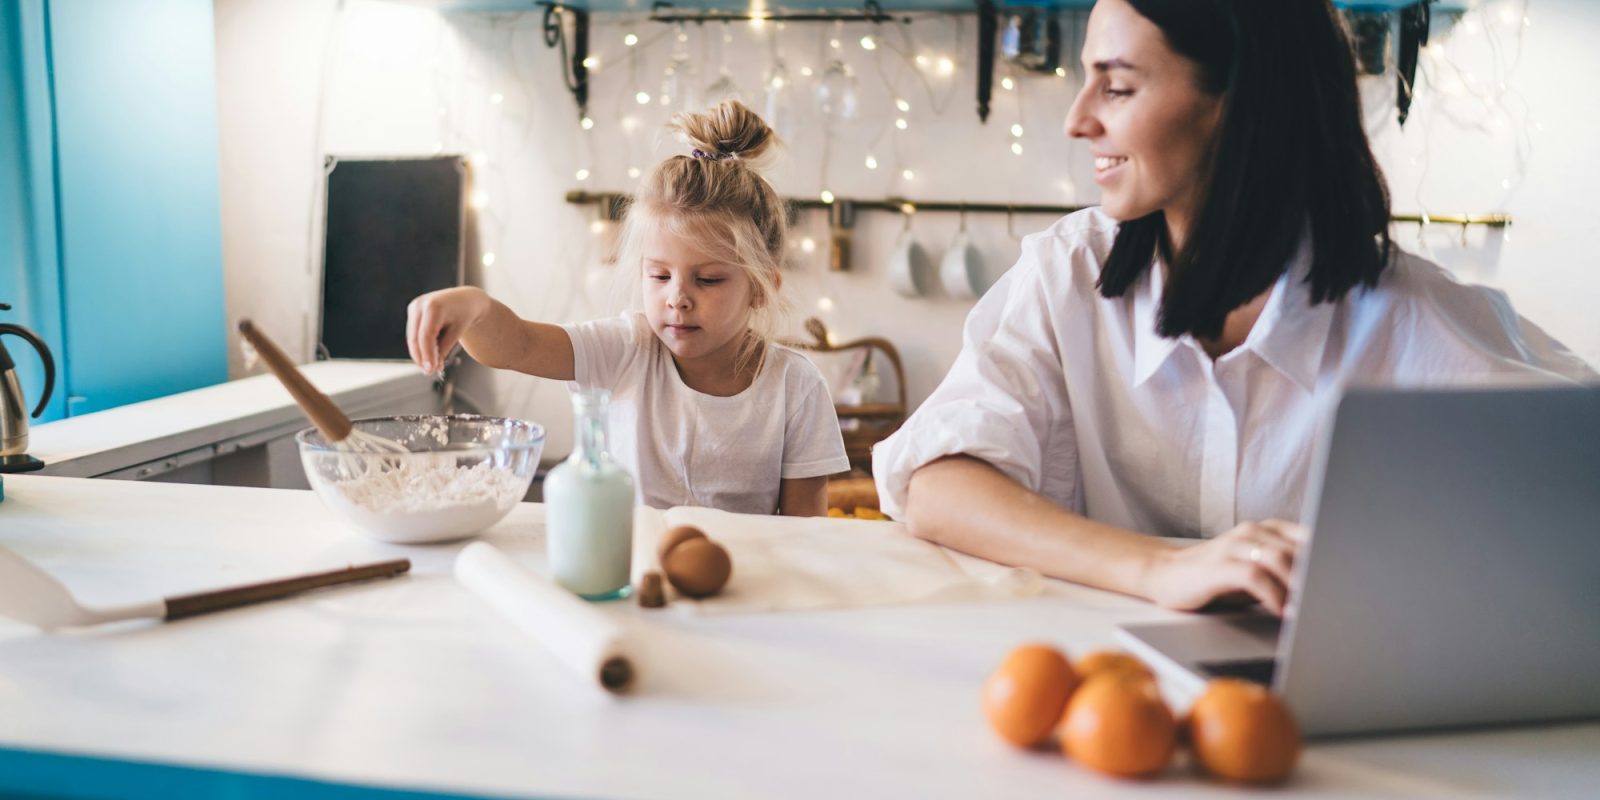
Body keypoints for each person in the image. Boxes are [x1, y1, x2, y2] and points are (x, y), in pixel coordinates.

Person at [873, 0, 1596, 615]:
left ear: (1240, 104)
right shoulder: (1069, 273)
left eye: (1117, 87)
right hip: (1104, 701)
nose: (1077, 120)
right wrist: (1160, 569)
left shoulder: (1413, 319)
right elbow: (937, 483)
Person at [408, 101, 849, 516]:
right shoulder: (625, 349)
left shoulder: (796, 387)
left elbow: (803, 529)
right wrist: (475, 306)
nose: (677, 297)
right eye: (659, 276)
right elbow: (515, 346)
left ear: (760, 289)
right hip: (629, 571)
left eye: (709, 279)